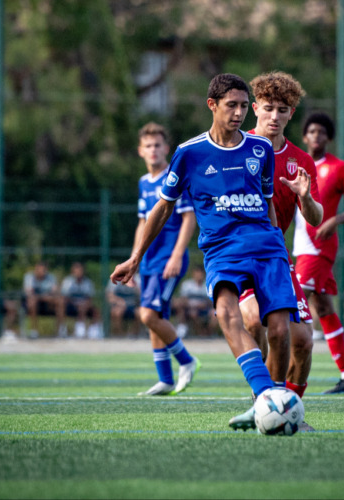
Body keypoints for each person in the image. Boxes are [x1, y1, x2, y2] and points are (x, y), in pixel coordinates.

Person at [111, 74, 295, 418]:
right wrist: (135, 258)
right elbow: (163, 207)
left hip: (266, 247)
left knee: (281, 331)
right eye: (232, 105)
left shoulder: (261, 149)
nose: (239, 113)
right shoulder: (189, 153)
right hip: (222, 249)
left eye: (243, 106)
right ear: (212, 105)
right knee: (227, 314)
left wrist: (281, 248)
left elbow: (268, 203)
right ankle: (268, 400)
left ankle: (278, 406)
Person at [229, 71, 323, 432]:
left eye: (282, 109)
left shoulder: (301, 161)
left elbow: (314, 219)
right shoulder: (235, 150)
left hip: (276, 257)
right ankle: (263, 400)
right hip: (240, 255)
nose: (274, 116)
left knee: (303, 341)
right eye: (267, 108)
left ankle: (290, 409)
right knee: (253, 321)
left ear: (291, 113)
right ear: (255, 108)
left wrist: (305, 195)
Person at [124, 121, 200, 396]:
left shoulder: (174, 175)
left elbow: (189, 218)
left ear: (166, 148)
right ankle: (165, 379)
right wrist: (134, 260)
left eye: (158, 145)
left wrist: (178, 255)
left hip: (168, 258)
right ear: (140, 151)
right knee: (156, 316)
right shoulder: (144, 182)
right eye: (148, 146)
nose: (153, 150)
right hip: (148, 260)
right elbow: (142, 224)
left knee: (148, 315)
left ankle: (187, 361)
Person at [294, 112, 344, 394]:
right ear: (305, 136)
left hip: (319, 247)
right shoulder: (297, 165)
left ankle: (280, 379)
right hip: (301, 246)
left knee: (292, 301)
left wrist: (334, 220)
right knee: (323, 308)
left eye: (322, 132)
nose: (316, 135)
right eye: (312, 131)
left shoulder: (340, 168)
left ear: (329, 137)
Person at [58, 262, 101, 339]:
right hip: (70, 305)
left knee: (95, 309)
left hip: (84, 305)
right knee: (61, 304)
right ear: (73, 271)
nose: (78, 272)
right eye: (76, 270)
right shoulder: (67, 281)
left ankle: (87, 330)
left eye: (80, 270)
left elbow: (90, 298)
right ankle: (62, 328)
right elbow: (64, 297)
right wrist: (75, 303)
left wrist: (83, 303)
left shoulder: (88, 282)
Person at [174, 265, 217, 338]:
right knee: (184, 308)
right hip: (189, 308)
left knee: (215, 314)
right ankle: (182, 327)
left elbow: (210, 301)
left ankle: (206, 333)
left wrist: (204, 304)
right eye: (197, 273)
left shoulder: (207, 285)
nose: (199, 275)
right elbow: (183, 299)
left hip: (204, 309)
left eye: (200, 273)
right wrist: (193, 305)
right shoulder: (187, 285)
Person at [22, 261, 59, 339]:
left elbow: (54, 292)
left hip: (48, 303)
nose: (42, 272)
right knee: (32, 301)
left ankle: (60, 331)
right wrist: (43, 296)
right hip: (34, 303)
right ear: (36, 269)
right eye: (40, 270)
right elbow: (29, 293)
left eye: (44, 270)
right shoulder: (29, 277)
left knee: (60, 301)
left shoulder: (51, 277)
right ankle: (34, 331)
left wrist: (42, 297)